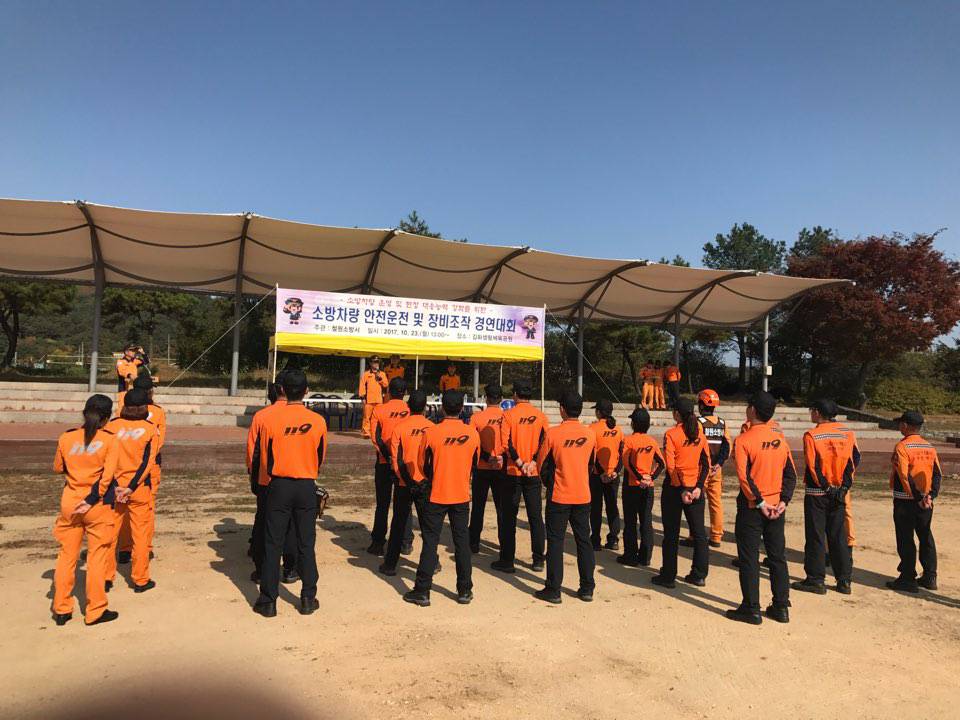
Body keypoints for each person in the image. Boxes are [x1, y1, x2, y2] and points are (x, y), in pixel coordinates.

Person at [253, 369, 328, 618]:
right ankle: (308, 597)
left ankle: (268, 600)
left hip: (278, 485)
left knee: (273, 542)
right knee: (306, 542)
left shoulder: (269, 419)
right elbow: (321, 455)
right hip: (306, 485)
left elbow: (265, 458)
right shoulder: (317, 421)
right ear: (306, 391)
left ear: (282, 390)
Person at [726, 391, 797, 625]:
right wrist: (783, 501)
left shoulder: (743, 440)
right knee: (777, 557)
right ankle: (781, 606)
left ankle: (751, 608)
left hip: (753, 507)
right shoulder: (779, 439)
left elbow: (744, 477)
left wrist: (759, 502)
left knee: (749, 557)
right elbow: (791, 474)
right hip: (776, 506)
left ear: (753, 410)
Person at [403, 390, 479, 607]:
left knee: (430, 542)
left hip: (437, 494)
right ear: (462, 408)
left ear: (442, 408)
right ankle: (465, 590)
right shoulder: (472, 433)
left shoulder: (432, 432)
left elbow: (421, 464)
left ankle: (422, 591)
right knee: (461, 542)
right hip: (461, 495)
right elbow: (474, 463)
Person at [51, 394, 120, 626]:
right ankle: (95, 610)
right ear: (107, 418)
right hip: (97, 504)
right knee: (97, 557)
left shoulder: (66, 437)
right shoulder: (110, 440)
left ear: (84, 413)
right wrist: (91, 498)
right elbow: (107, 477)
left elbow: (58, 467)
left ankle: (62, 608)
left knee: (66, 556)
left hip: (70, 501)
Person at [534, 390, 598, 604]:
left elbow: (541, 464)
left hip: (559, 495)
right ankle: (587, 587)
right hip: (582, 495)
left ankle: (554, 589)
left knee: (555, 542)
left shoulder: (553, 434)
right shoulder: (590, 434)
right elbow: (591, 463)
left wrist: (551, 483)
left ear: (562, 409)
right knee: (584, 541)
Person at [792, 399, 859, 596]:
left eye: (812, 410)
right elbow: (853, 460)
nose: (811, 413)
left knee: (816, 535)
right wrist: (844, 487)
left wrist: (826, 486)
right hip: (839, 491)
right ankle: (844, 580)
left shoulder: (812, 435)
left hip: (818, 492)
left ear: (818, 413)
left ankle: (816, 579)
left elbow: (813, 466)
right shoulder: (847, 433)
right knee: (838, 536)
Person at [104, 388, 160, 594]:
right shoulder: (150, 429)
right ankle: (140, 579)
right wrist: (131, 486)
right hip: (138, 489)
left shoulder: (111, 426)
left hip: (113, 488)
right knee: (141, 535)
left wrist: (116, 485)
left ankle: (105, 577)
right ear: (145, 407)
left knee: (109, 534)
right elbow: (148, 462)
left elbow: (105, 458)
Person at [246, 378, 300, 583]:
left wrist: (254, 476)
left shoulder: (262, 416)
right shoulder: (305, 416)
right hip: (296, 478)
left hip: (267, 479)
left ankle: (262, 570)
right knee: (291, 525)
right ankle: (290, 568)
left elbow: (252, 451)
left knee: (264, 522)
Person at [653, 397, 710, 589]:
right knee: (699, 533)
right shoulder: (700, 434)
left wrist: (683, 488)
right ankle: (699, 575)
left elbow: (671, 466)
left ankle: (668, 575)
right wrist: (699, 487)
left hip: (675, 489)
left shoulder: (671, 434)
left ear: (677, 414)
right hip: (695, 489)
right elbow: (706, 463)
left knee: (671, 533)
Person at [886, 410, 942, 593]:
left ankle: (907, 577)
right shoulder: (929, 447)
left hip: (906, 500)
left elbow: (904, 475)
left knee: (905, 537)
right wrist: (930, 495)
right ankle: (930, 576)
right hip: (926, 500)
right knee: (925, 535)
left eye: (900, 423)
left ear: (905, 425)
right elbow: (937, 473)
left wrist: (917, 497)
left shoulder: (902, 447)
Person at [379, 389, 434, 575]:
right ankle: (432, 563)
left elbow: (396, 459)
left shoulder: (400, 428)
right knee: (428, 526)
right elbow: (434, 459)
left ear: (408, 407)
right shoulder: (432, 428)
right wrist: (426, 481)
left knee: (398, 525)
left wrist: (406, 480)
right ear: (425, 407)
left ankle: (390, 565)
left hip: (404, 484)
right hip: (424, 484)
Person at [496, 380, 548, 572]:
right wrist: (533, 461)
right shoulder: (540, 416)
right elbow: (544, 442)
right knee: (535, 517)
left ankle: (507, 560)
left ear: (516, 394)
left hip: (513, 472)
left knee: (509, 517)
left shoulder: (508, 415)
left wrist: (519, 462)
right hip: (533, 472)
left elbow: (506, 444)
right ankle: (538, 559)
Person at [117, 374, 167, 565]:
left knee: (121, 510)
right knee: (145, 511)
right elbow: (159, 442)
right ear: (149, 392)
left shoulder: (121, 411)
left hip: (122, 466)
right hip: (148, 467)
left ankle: (124, 548)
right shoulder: (157, 412)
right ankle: (145, 548)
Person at [367, 377, 412, 555]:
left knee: (383, 504)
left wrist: (389, 457)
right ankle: (405, 543)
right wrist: (398, 459)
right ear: (405, 393)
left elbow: (375, 437)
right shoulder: (411, 410)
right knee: (405, 504)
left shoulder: (379, 410)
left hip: (384, 463)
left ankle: (378, 543)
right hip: (405, 464)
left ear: (388, 392)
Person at [618, 408, 665, 567]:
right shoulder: (652, 441)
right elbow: (661, 463)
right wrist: (650, 477)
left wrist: (639, 478)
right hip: (648, 486)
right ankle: (645, 557)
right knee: (646, 521)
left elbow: (627, 463)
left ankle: (630, 555)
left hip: (632, 486)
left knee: (630, 521)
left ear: (633, 423)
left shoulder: (629, 440)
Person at [469, 383, 506, 555]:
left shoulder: (476, 417)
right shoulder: (507, 417)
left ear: (486, 398)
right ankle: (504, 543)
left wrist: (486, 457)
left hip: (482, 467)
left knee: (478, 507)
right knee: (502, 508)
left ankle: (473, 543)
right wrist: (499, 457)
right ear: (501, 399)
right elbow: (510, 442)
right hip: (501, 466)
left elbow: (473, 443)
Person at [691, 389, 730, 548]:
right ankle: (716, 536)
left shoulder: (698, 422)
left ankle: (695, 535)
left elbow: (694, 446)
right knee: (716, 502)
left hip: (701, 470)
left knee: (696, 502)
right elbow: (727, 446)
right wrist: (719, 464)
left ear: (701, 405)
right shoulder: (722, 423)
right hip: (716, 469)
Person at [588, 398, 623, 551]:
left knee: (596, 507)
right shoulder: (618, 429)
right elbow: (622, 453)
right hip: (613, 474)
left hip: (597, 474)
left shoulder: (592, 428)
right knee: (612, 507)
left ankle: (595, 540)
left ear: (598, 412)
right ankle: (614, 539)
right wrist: (615, 471)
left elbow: (592, 454)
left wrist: (602, 472)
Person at [358, 356, 388, 438]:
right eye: (374, 362)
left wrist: (379, 378)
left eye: (377, 362)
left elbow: (386, 384)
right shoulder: (366, 374)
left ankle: (377, 432)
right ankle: (366, 433)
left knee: (379, 417)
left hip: (379, 400)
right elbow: (362, 386)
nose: (376, 364)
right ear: (370, 363)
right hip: (369, 400)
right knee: (367, 417)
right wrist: (362, 397)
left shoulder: (382, 374)